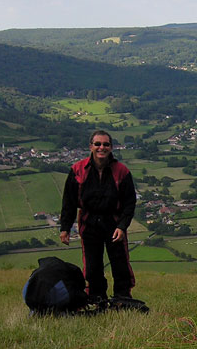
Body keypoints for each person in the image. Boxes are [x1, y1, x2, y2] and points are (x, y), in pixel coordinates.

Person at [59, 130, 138, 303]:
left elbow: (129, 203)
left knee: (120, 262)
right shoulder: (78, 170)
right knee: (92, 264)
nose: (101, 147)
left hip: (114, 222)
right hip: (89, 222)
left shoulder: (122, 172)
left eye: (105, 144)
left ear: (111, 147)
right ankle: (96, 297)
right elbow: (69, 201)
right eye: (98, 144)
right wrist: (65, 228)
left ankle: (122, 297)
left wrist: (122, 226)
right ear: (91, 147)